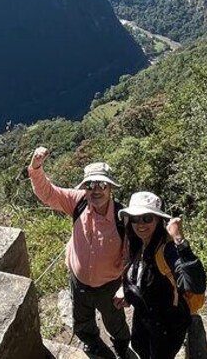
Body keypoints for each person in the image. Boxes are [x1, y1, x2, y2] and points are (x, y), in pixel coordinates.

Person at [27, 146, 130, 359]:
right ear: (85, 188)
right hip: (78, 279)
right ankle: (91, 343)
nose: (96, 190)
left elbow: (132, 256)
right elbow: (48, 193)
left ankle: (121, 346)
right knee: (82, 319)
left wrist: (125, 287)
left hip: (109, 285)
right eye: (90, 185)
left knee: (115, 321)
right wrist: (36, 168)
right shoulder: (78, 201)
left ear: (111, 188)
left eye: (102, 184)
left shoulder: (123, 218)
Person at [113, 192, 206, 359]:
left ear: (158, 220)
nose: (140, 224)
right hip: (144, 319)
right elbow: (139, 276)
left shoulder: (168, 249)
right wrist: (126, 291)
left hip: (167, 326)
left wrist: (180, 240)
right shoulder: (136, 243)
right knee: (140, 348)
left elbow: (195, 284)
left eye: (147, 218)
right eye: (135, 218)